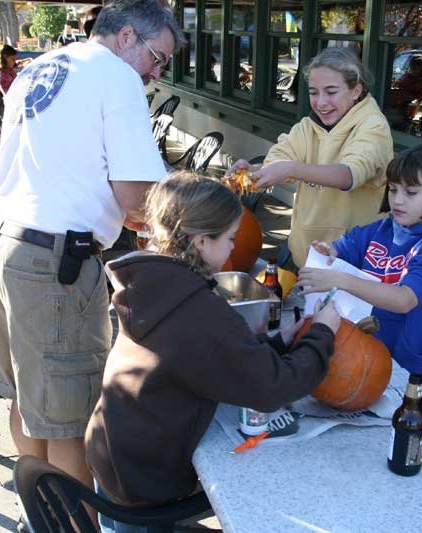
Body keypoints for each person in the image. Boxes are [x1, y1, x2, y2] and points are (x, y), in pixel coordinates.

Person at [0, 0, 184, 520]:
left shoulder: (43, 65)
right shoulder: (116, 78)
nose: (156, 74)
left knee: (25, 399)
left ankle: (40, 515)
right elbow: (137, 199)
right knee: (69, 419)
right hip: (53, 262)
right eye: (157, 58)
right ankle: (72, 525)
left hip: (1, 239)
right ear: (127, 37)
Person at [85, 173, 340, 532]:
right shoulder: (197, 309)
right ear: (201, 241)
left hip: (115, 454)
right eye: (230, 239)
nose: (235, 249)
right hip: (146, 482)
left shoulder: (157, 282)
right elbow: (272, 388)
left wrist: (279, 340)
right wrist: (323, 334)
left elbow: (212, 356)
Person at [297, 144, 422, 396]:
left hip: (417, 371)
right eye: (393, 190)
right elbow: (347, 248)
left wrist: (341, 279)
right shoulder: (382, 229)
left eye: (411, 192)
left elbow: (405, 299)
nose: (398, 200)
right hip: (368, 357)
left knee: (408, 433)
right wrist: (330, 254)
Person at [226, 47, 393, 270]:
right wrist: (249, 173)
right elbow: (278, 163)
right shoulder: (307, 127)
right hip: (307, 258)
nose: (321, 102)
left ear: (356, 90)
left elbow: (350, 174)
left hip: (354, 264)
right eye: (314, 92)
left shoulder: (373, 127)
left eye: (331, 92)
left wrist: (291, 169)